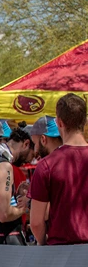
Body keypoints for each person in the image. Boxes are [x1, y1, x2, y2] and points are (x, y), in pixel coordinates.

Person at [29, 94, 88, 245]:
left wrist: (43, 243)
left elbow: (36, 222)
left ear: (59, 123)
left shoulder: (46, 165)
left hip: (61, 251)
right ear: (84, 122)